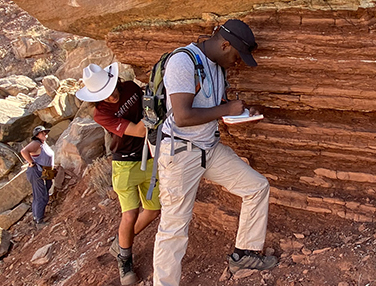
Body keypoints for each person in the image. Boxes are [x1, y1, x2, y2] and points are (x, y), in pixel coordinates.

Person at [153, 19, 277, 286]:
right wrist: (226, 110)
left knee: (257, 187)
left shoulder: (216, 66)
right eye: (236, 56)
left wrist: (242, 112)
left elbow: (211, 104)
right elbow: (183, 116)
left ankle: (244, 253)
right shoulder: (183, 61)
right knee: (174, 229)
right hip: (180, 153)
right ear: (224, 44)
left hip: (208, 149)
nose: (237, 62)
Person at [76, 62, 161, 285]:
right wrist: (154, 110)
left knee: (153, 210)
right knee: (130, 214)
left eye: (112, 89)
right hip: (124, 163)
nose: (112, 96)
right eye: (106, 95)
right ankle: (125, 259)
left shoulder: (131, 88)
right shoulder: (101, 113)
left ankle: (121, 241)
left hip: (149, 156)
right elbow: (139, 130)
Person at [20, 125, 56, 226]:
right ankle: (39, 220)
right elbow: (24, 151)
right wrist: (32, 163)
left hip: (45, 172)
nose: (45, 134)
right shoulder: (36, 143)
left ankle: (36, 216)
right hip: (37, 172)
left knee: (41, 193)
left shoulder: (42, 144)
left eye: (45, 132)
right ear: (37, 135)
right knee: (41, 195)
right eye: (42, 133)